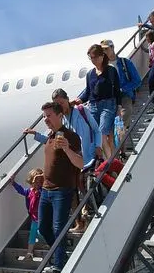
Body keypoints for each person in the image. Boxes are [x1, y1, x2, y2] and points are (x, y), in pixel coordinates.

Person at [25, 88, 102, 233]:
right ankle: (81, 221)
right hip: (75, 159)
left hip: (89, 156)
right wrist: (36, 135)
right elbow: (52, 142)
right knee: (74, 189)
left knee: (86, 186)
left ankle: (90, 216)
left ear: (67, 99)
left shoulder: (81, 111)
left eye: (61, 102)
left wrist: (98, 146)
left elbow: (96, 130)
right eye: (57, 104)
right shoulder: (62, 120)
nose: (60, 105)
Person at [37, 101, 84, 273]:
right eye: (44, 116)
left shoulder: (71, 137)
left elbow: (81, 164)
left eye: (48, 116)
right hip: (46, 190)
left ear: (59, 115)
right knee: (43, 228)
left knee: (59, 229)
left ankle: (57, 270)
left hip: (62, 191)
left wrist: (66, 148)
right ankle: (61, 258)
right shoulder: (49, 137)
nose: (45, 119)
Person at [73, 44, 121, 158]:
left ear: (102, 56)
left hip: (108, 105)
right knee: (93, 134)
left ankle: (109, 163)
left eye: (95, 57)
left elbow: (117, 91)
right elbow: (88, 92)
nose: (93, 60)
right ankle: (102, 160)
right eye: (91, 58)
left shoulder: (111, 70)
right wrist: (79, 100)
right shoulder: (90, 74)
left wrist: (119, 107)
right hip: (93, 106)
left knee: (102, 133)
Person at [100, 39, 141, 152]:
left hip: (124, 96)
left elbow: (137, 80)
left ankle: (120, 151)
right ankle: (118, 152)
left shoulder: (124, 63)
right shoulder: (102, 67)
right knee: (110, 127)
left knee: (122, 121)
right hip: (109, 99)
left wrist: (123, 88)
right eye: (102, 50)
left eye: (106, 49)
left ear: (112, 48)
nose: (104, 52)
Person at [10, 168, 44, 259]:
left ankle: (49, 243)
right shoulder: (29, 191)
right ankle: (29, 252)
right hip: (33, 217)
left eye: (39, 182)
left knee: (40, 232)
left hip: (42, 217)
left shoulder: (42, 192)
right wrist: (13, 183)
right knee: (32, 234)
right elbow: (21, 190)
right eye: (35, 182)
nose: (37, 184)